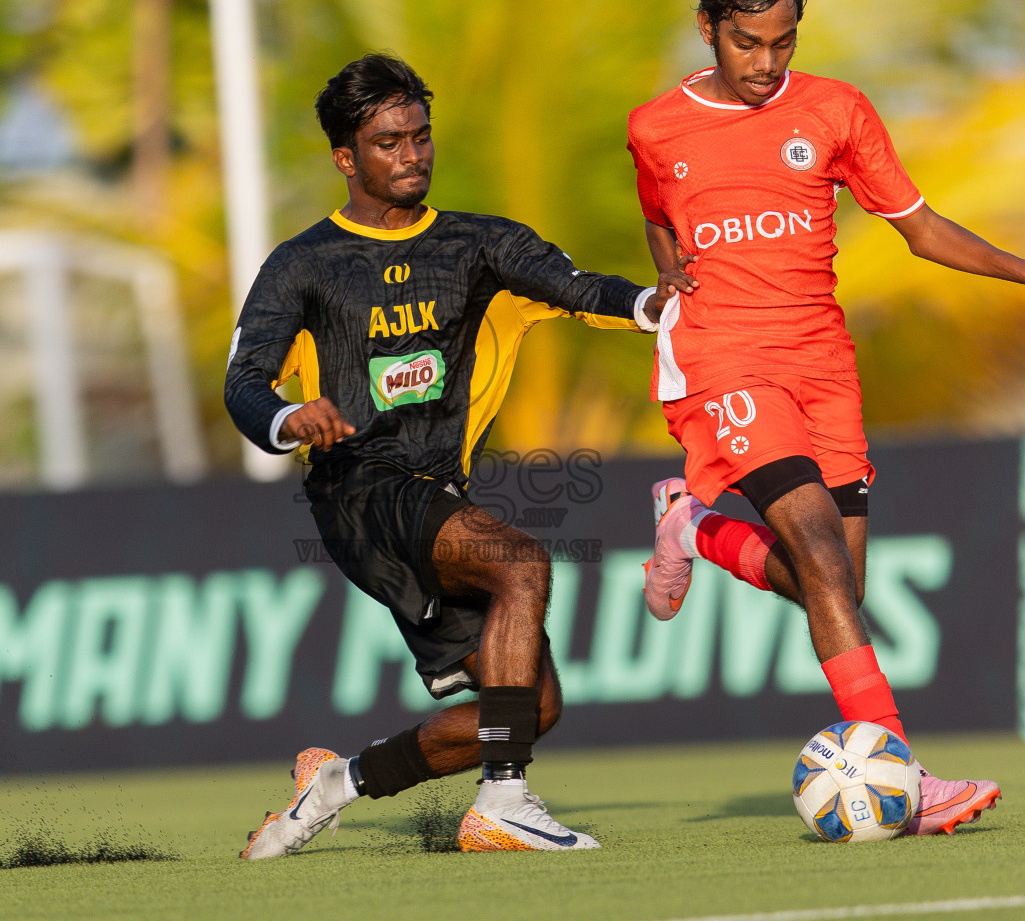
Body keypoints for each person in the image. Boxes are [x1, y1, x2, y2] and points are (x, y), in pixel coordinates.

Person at [627, 0, 1025, 836]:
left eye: (783, 42)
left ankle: (693, 526)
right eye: (746, 43)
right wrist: (667, 272)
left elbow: (919, 228)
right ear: (707, 28)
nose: (766, 63)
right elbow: (658, 214)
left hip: (821, 363)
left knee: (836, 583)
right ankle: (906, 777)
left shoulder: (838, 111)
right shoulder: (656, 125)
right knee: (816, 550)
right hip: (725, 358)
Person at [225, 53, 688, 858]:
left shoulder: (479, 245)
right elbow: (243, 382)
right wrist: (290, 417)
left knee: (531, 707)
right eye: (389, 143)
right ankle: (504, 802)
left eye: (420, 136)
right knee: (521, 563)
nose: (412, 155)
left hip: (434, 493)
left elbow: (581, 289)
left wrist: (654, 301)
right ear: (345, 158)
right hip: (358, 490)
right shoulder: (302, 265)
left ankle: (334, 785)